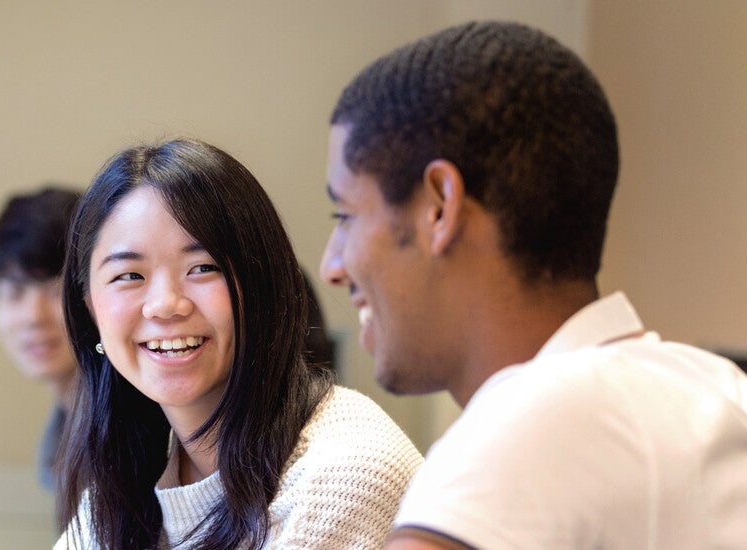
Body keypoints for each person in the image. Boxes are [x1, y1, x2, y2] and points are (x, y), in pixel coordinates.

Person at [320, 21, 747, 549]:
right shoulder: (721, 391)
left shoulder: (518, 434)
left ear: (439, 208)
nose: (331, 266)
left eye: (345, 216)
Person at [55, 138, 421, 549]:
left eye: (203, 267)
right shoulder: (116, 494)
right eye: (129, 276)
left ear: (263, 283)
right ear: (90, 309)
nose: (166, 305)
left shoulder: (340, 471)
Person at [0, 186, 84, 492]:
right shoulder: (60, 435)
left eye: (55, 290)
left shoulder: (136, 430)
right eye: (14, 293)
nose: (34, 317)